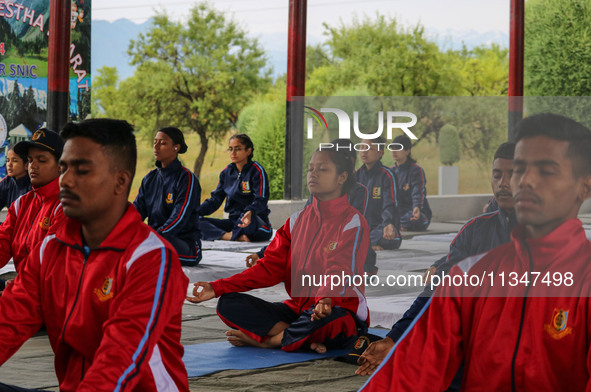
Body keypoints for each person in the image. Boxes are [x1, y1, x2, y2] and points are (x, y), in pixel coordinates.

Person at [361, 113, 591, 391]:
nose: (522, 182)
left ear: (584, 186)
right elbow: (414, 368)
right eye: (520, 170)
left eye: (546, 170)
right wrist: (396, 338)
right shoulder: (473, 267)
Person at [0, 119, 189, 391]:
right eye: (64, 168)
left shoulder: (150, 258)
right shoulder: (49, 251)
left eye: (82, 170)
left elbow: (120, 359)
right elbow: (8, 320)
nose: (65, 180)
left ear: (120, 181)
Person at [188, 141, 370, 354]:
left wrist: (325, 299)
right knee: (228, 303)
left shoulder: (352, 222)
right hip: (299, 310)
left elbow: (339, 270)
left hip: (335, 308)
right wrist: (218, 287)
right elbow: (268, 269)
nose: (313, 174)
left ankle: (269, 341)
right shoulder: (296, 221)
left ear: (342, 177)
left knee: (330, 321)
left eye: (322, 169)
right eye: (311, 169)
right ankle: (297, 338)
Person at [356, 142, 517, 381]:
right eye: (497, 175)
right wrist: (395, 338)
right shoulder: (475, 230)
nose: (503, 183)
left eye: (513, 175)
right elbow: (436, 291)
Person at [134, 127, 202, 266]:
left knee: (143, 250)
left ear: (176, 148)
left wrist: (153, 236)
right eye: (155, 142)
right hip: (155, 238)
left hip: (183, 244)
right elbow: (136, 212)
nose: (156, 147)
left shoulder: (186, 179)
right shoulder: (149, 179)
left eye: (163, 143)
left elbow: (179, 217)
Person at [0, 129, 66, 274]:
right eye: (30, 160)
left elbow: (51, 262)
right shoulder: (21, 204)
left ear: (61, 166)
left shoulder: (67, 206)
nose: (33, 166)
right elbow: (2, 244)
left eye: (41, 160)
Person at [197, 134, 272, 242]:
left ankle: (231, 235)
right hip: (233, 222)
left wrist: (250, 211)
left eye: (238, 149)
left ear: (248, 151)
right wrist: (194, 212)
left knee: (247, 223)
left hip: (254, 222)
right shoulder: (226, 173)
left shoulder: (257, 171)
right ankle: (229, 236)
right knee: (193, 221)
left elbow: (261, 199)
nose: (233, 153)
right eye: (230, 149)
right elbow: (215, 200)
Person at [356, 137, 401, 251]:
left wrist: (388, 223)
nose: (364, 151)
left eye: (369, 148)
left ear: (379, 152)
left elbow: (389, 203)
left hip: (380, 227)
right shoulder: (355, 176)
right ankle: (368, 244)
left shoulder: (387, 175)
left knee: (390, 237)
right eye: (362, 147)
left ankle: (365, 243)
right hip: (360, 227)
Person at [391, 134, 432, 231]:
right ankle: (398, 224)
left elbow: (418, 191)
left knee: (414, 218)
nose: (394, 151)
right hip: (399, 212)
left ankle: (398, 224)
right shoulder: (390, 172)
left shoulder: (416, 170)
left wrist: (417, 207)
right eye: (393, 148)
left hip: (416, 212)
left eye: (398, 148)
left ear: (407, 151)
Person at [0, 144, 32, 211]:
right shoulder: (7, 182)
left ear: (26, 165)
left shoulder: (33, 185)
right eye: (7, 160)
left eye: (14, 160)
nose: (9, 164)